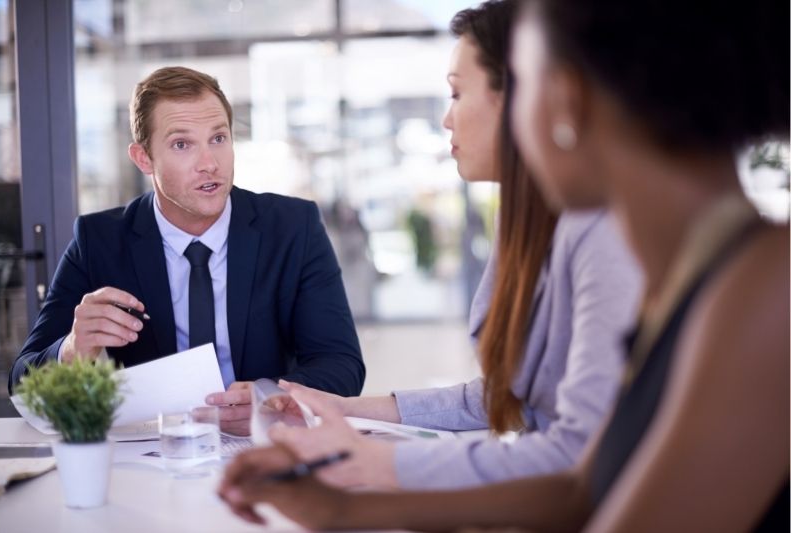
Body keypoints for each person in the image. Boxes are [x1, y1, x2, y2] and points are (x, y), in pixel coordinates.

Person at [218, 0, 789, 530]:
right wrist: (344, 508)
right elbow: (580, 485)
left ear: (565, 99)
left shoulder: (762, 291)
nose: (447, 120)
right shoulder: (705, 271)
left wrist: (371, 481)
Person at [237, 0, 641, 491]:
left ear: (521, 95)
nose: (447, 120)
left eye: (456, 94)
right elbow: (502, 398)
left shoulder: (598, 228)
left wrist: (375, 470)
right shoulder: (528, 225)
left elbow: (577, 453)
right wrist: (346, 410)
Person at [9, 66, 366, 435]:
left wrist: (268, 397)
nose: (209, 163)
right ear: (144, 159)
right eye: (182, 144)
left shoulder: (294, 228)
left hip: (266, 446)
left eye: (218, 138)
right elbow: (22, 385)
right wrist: (72, 349)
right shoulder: (99, 241)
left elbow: (341, 365)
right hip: (156, 454)